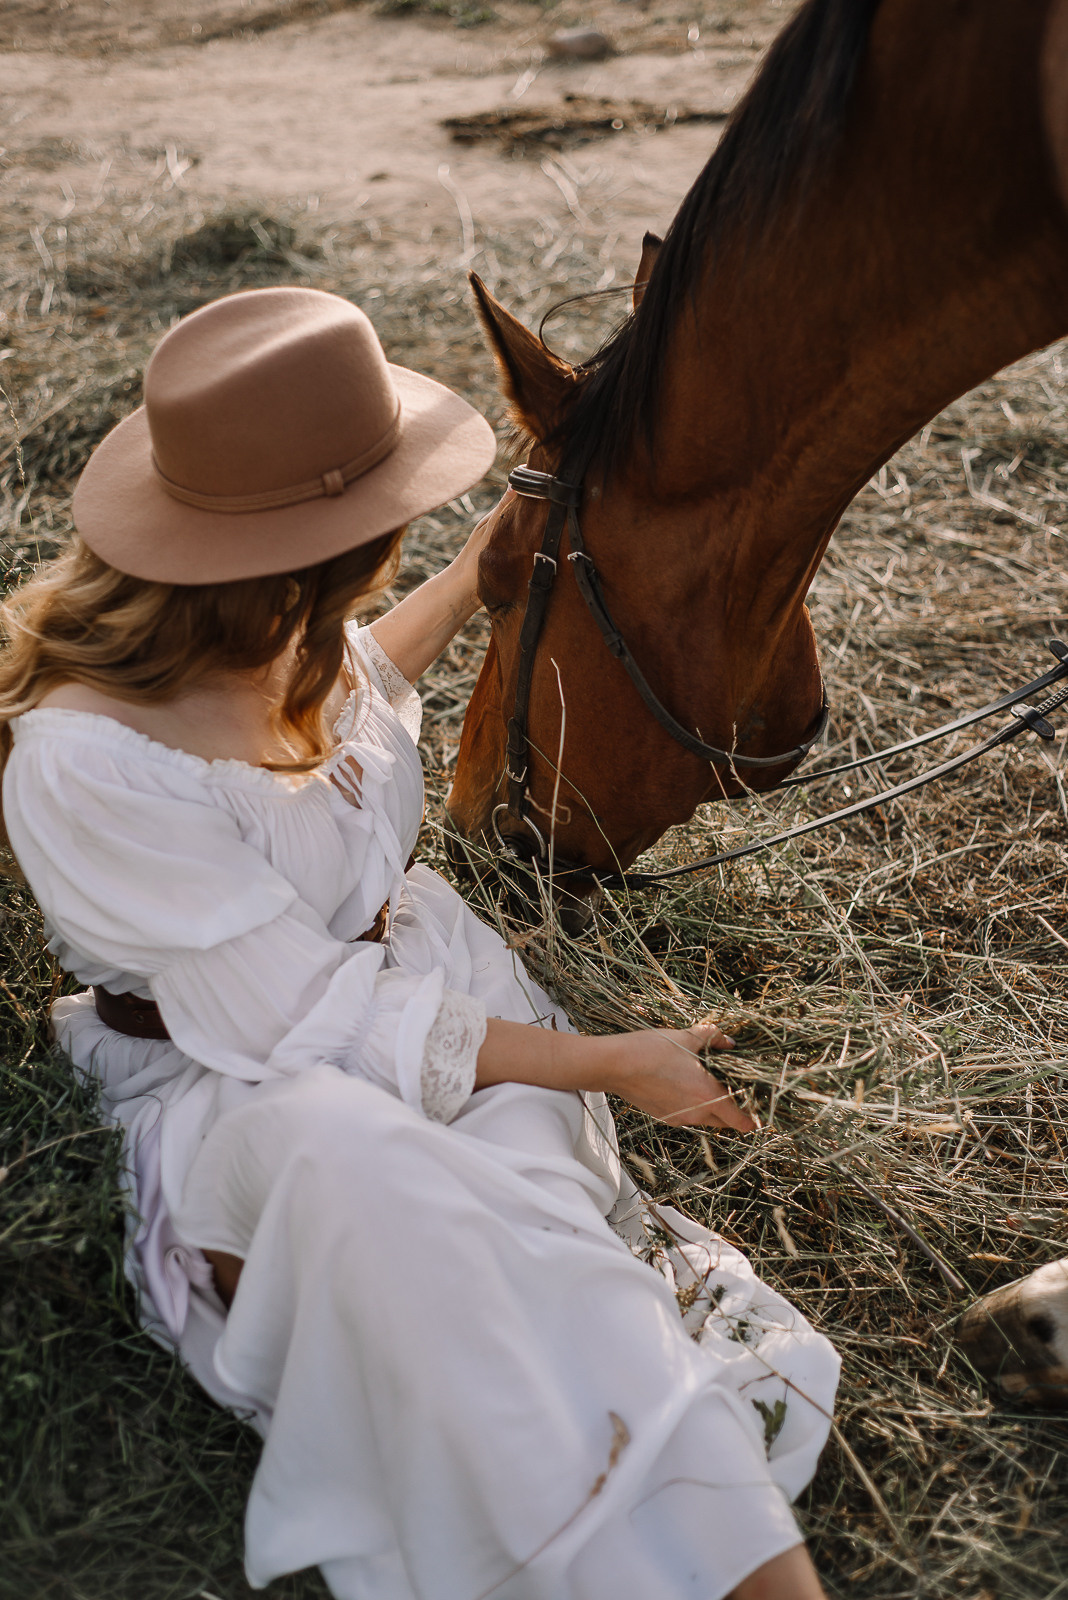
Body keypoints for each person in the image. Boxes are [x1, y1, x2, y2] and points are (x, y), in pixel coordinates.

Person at [0, 286, 838, 1600]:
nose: (398, 536)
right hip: (241, 1091)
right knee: (371, 1175)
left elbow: (347, 706)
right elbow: (300, 1024)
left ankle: (735, 1568)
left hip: (422, 995)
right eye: (384, 528)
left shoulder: (274, 630)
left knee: (539, 1235)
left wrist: (472, 578)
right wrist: (607, 1061)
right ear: (304, 556)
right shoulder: (82, 764)